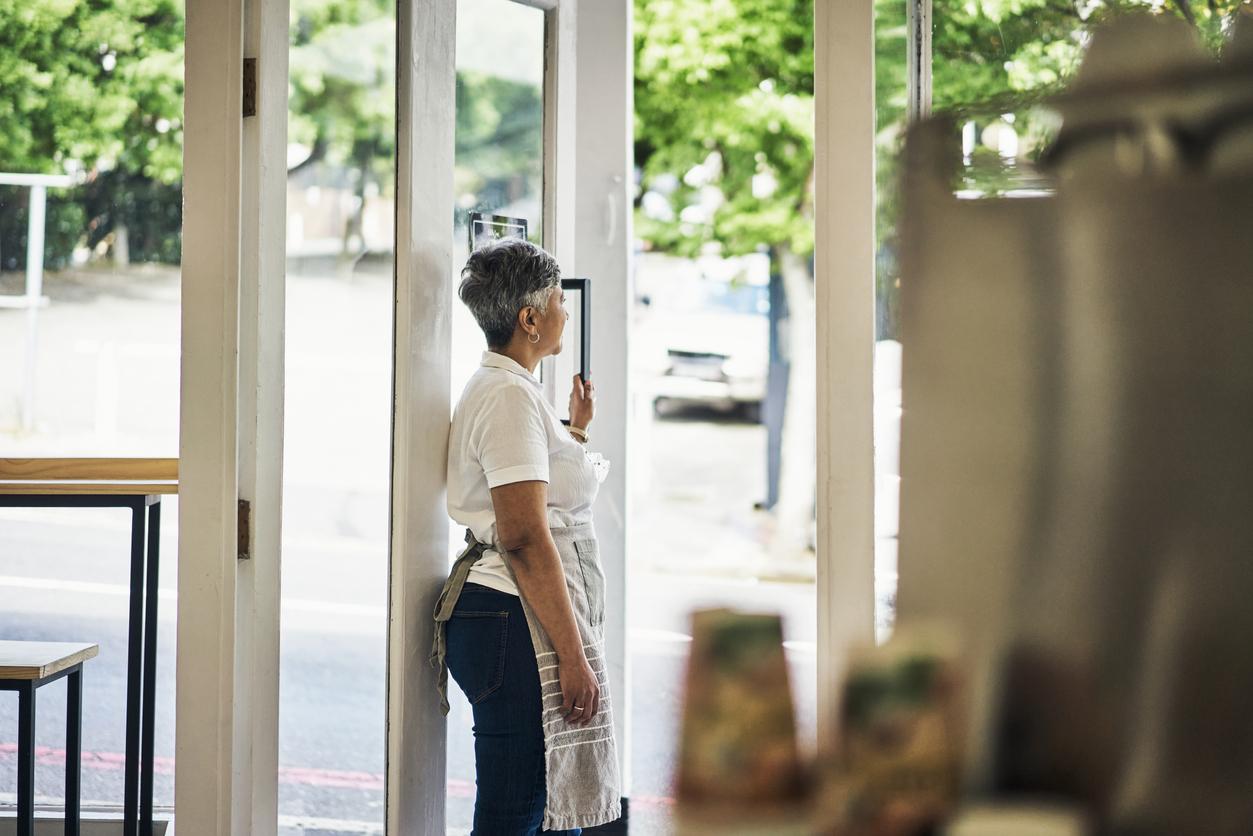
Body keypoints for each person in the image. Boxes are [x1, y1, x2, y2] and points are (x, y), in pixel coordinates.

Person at [431, 238, 621, 835]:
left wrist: (575, 434)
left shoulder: (512, 391)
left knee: (534, 810)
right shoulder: (509, 396)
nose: (566, 312)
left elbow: (542, 497)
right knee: (515, 815)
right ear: (530, 318)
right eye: (558, 301)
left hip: (506, 618)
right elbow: (523, 536)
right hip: (509, 622)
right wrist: (572, 654)